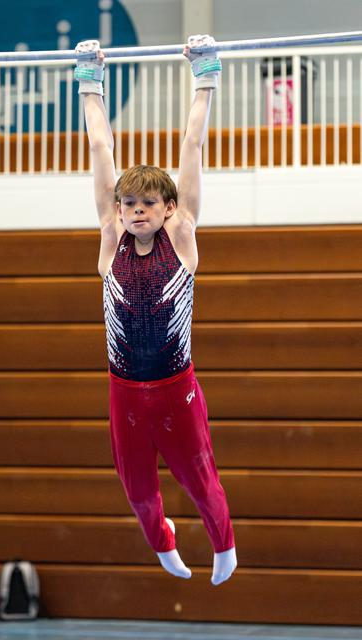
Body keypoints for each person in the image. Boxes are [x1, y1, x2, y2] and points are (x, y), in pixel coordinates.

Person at [74, 35, 237, 586]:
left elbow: (191, 147)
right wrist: (90, 80)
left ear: (168, 208)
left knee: (199, 480)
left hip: (175, 386)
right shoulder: (109, 238)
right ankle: (162, 543)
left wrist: (204, 75)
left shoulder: (182, 235)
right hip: (125, 391)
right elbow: (102, 153)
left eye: (147, 204)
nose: (136, 212)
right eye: (128, 204)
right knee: (139, 492)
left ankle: (224, 546)